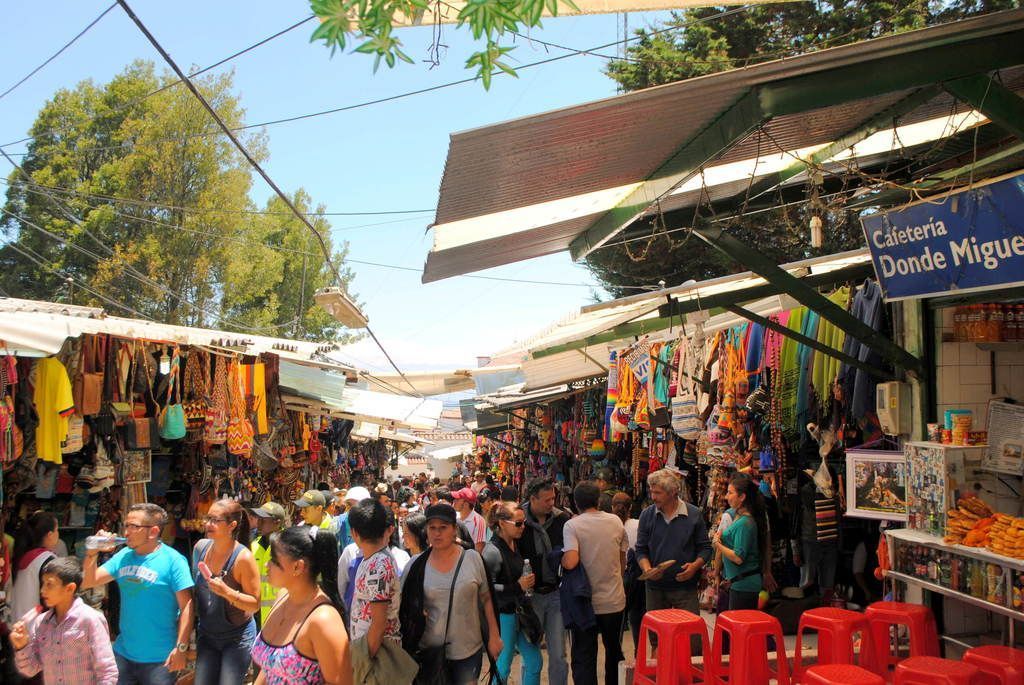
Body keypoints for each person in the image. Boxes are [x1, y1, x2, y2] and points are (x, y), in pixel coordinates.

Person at [84, 503, 194, 685]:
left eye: (134, 527)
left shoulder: (173, 561)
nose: (126, 532)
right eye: (126, 525)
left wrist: (181, 648)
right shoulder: (124, 555)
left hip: (160, 660)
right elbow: (90, 580)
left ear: (153, 532)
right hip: (123, 654)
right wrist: (92, 553)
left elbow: (187, 606)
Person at [399, 503, 502, 685]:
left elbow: (487, 598)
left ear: (454, 530)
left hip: (468, 650)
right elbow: (403, 603)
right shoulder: (416, 565)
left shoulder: (473, 559)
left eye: (443, 528)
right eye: (432, 528)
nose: (437, 533)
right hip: (430, 652)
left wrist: (494, 635)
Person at [251, 526, 350, 685]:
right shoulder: (282, 597)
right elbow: (270, 666)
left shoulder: (323, 620)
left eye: (274, 560)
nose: (266, 565)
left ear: (298, 567)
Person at [10, 556, 118, 684]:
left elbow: (107, 671)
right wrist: (21, 645)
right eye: (43, 583)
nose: (42, 590)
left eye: (49, 584)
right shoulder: (41, 623)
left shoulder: (90, 620)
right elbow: (31, 669)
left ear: (70, 588)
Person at [562, 481, 627, 685]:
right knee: (614, 651)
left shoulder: (572, 525)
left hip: (585, 604)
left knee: (584, 655)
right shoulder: (616, 521)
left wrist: (560, 558)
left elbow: (571, 561)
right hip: (614, 600)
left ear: (575, 502)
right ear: (599, 500)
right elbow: (622, 558)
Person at [192, 498, 260, 685]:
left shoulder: (242, 558)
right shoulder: (200, 548)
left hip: (236, 638)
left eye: (215, 520)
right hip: (206, 634)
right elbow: (194, 592)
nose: (208, 524)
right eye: (208, 518)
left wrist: (227, 592)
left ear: (232, 525)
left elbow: (255, 604)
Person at [635, 469, 712, 616]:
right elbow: (641, 549)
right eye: (652, 492)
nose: (653, 497)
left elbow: (705, 548)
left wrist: (694, 567)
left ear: (672, 492)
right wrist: (648, 570)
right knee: (657, 635)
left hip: (685, 588)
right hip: (655, 588)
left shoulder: (693, 514)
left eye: (658, 493)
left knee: (690, 634)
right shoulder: (647, 515)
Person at [482, 501, 542, 685]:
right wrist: (518, 586)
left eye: (524, 522)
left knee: (534, 661)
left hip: (519, 613)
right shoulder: (492, 551)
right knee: (503, 666)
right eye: (518, 523)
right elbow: (486, 590)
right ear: (501, 523)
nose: (522, 527)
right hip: (503, 616)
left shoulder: (515, 543)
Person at [518, 477, 570, 685]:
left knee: (558, 654)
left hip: (556, 594)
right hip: (530, 597)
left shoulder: (561, 519)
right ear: (532, 499)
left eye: (553, 499)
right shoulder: (518, 520)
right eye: (547, 500)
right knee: (531, 655)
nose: (551, 504)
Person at [347, 499, 402, 655]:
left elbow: (378, 623)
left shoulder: (378, 566)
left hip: (377, 656)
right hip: (371, 649)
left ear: (354, 533)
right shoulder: (375, 559)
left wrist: (365, 661)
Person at [714, 474, 767, 610]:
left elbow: (738, 557)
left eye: (730, 493)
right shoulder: (739, 517)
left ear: (742, 497)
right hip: (739, 583)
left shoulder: (745, 523)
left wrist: (718, 544)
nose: (726, 497)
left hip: (744, 585)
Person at [11, 511, 60, 623]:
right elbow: (53, 599)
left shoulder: (21, 555)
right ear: (50, 535)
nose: (58, 534)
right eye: (57, 530)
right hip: (37, 630)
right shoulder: (48, 559)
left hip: (18, 627)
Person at [612, 491, 644, 653]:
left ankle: (615, 657)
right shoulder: (638, 525)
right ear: (630, 507)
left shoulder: (608, 526)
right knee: (636, 617)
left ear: (612, 507)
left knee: (616, 621)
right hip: (635, 580)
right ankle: (639, 656)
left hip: (614, 580)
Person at [250, 501, 288, 627]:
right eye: (258, 519)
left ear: (277, 522)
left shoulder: (288, 547)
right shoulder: (253, 546)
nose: (259, 523)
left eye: (263, 520)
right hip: (255, 617)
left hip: (282, 616)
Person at [335, 486, 372, 551]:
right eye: (349, 504)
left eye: (357, 505)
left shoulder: (373, 523)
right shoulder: (339, 522)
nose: (352, 509)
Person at [452, 487, 487, 552]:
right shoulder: (454, 515)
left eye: (457, 499)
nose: (454, 501)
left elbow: (478, 550)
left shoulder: (479, 521)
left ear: (466, 504)